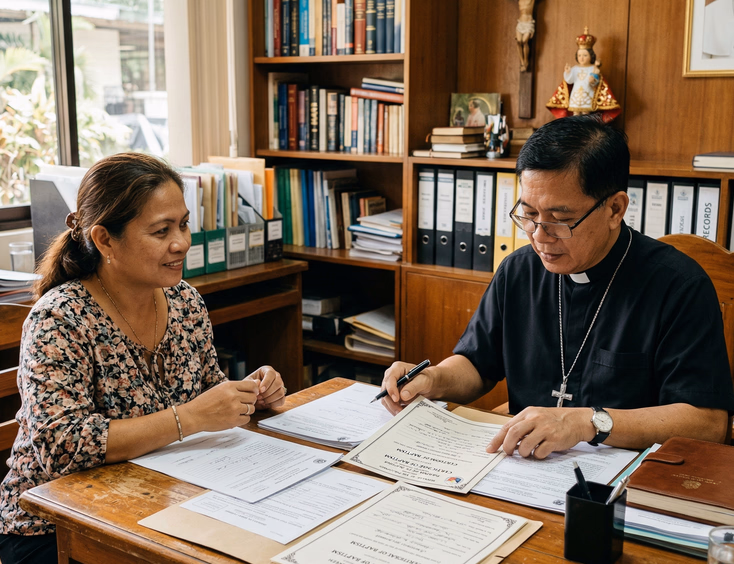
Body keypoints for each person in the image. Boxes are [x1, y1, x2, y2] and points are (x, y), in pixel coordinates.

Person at [381, 115, 734, 460]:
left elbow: (708, 422)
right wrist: (432, 379)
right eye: (529, 214)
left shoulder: (679, 285)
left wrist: (587, 421)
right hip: (525, 467)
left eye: (561, 220)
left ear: (615, 208)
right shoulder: (519, 270)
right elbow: (476, 364)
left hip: (625, 480)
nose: (539, 236)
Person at [0, 153, 286, 564]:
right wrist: (192, 418)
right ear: (104, 240)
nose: (181, 243)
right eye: (161, 230)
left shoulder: (184, 301)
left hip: (155, 500)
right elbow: (62, 446)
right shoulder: (59, 319)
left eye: (184, 224)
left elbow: (209, 393)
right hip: (53, 527)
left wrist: (248, 396)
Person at [546, 27, 621, 123]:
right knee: (575, 114)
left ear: (591, 56)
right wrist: (568, 72)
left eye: (585, 55)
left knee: (586, 114)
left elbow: (597, 83)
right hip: (576, 95)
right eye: (579, 55)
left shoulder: (593, 69)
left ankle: (585, 126)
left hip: (588, 94)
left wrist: (593, 79)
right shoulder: (575, 69)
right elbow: (569, 81)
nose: (582, 58)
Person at [515, 0, 536, 72]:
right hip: (520, 23)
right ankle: (522, 62)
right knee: (518, 41)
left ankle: (526, 60)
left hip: (528, 22)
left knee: (524, 41)